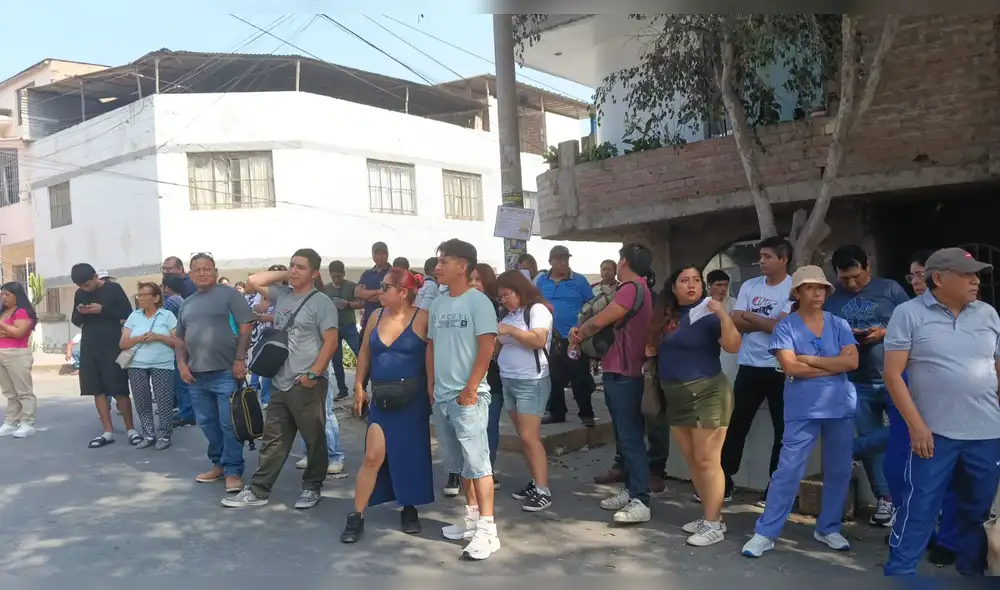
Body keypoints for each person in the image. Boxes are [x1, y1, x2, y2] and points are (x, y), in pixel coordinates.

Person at [883, 248, 1000, 577]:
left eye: (976, 274)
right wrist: (916, 426)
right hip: (933, 433)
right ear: (939, 278)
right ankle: (900, 573)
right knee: (919, 507)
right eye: (967, 274)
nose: (976, 281)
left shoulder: (988, 314)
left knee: (979, 510)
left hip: (987, 433)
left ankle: (971, 573)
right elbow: (892, 374)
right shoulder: (908, 313)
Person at [742, 265, 858, 558]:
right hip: (802, 407)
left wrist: (810, 360)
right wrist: (831, 366)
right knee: (788, 470)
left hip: (840, 406)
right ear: (797, 293)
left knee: (839, 470)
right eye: (809, 288)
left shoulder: (839, 324)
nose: (817, 293)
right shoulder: (786, 327)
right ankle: (765, 532)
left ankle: (828, 527)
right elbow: (791, 367)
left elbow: (852, 363)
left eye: (821, 288)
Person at [224, 249, 340, 509]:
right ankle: (259, 490)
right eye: (292, 265)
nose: (294, 270)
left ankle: (312, 486)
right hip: (280, 380)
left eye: (301, 267)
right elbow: (253, 281)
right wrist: (288, 273)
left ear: (314, 273)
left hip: (306, 381)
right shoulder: (283, 294)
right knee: (273, 438)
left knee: (313, 438)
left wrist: (313, 374)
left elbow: (331, 342)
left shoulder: (321, 302)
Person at [647, 266, 741, 546]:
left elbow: (733, 346)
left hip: (707, 394)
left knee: (707, 460)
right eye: (685, 280)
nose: (692, 285)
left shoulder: (708, 314)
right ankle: (712, 517)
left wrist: (723, 314)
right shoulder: (667, 315)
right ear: (673, 286)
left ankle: (713, 524)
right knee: (692, 460)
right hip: (675, 396)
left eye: (696, 280)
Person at [341, 268, 434, 542]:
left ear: (402, 292)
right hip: (382, 398)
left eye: (384, 287)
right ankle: (356, 515)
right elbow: (364, 353)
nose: (379, 292)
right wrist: (359, 386)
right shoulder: (376, 316)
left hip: (413, 400)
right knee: (372, 456)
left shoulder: (423, 318)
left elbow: (432, 357)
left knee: (411, 454)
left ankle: (409, 506)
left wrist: (432, 390)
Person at [824, 245, 910, 527]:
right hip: (855, 381)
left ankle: (852, 451)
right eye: (844, 278)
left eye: (856, 277)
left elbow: (914, 324)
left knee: (905, 431)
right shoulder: (831, 298)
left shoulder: (891, 289)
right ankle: (885, 499)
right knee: (871, 438)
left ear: (867, 267)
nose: (851, 284)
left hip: (895, 376)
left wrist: (885, 332)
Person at [569, 242, 654, 524]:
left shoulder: (631, 288)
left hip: (626, 372)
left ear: (624, 261)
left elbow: (600, 321)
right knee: (624, 436)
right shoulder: (639, 287)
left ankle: (641, 499)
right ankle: (631, 491)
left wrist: (578, 335)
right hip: (619, 369)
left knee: (630, 437)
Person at [884, 249, 959, 565]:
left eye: (921, 274)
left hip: (946, 397)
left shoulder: (962, 312)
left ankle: (950, 540)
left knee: (950, 471)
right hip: (904, 389)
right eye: (912, 275)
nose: (916, 281)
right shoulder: (905, 312)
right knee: (898, 467)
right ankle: (915, 532)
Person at [428, 239, 501, 560]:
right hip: (442, 397)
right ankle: (471, 520)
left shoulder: (478, 302)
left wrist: (470, 388)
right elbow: (432, 346)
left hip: (469, 398)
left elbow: (487, 347)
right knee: (461, 465)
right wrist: (431, 384)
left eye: (444, 261)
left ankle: (488, 530)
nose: (438, 267)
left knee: (478, 463)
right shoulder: (438, 303)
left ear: (462, 266)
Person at [721, 236, 794, 506]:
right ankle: (724, 482)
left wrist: (750, 317)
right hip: (749, 365)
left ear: (783, 259)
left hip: (780, 368)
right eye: (761, 256)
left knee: (782, 430)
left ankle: (774, 488)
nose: (761, 261)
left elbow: (782, 328)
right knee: (737, 424)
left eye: (767, 256)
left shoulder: (793, 288)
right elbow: (735, 321)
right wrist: (765, 322)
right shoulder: (750, 285)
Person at [175, 253, 254, 494]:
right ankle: (218, 464)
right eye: (197, 269)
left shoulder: (230, 295)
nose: (202, 273)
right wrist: (182, 364)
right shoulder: (187, 303)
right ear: (190, 274)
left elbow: (246, 326)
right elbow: (180, 339)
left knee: (229, 424)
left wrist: (240, 359)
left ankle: (233, 471)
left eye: (207, 268)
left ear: (216, 272)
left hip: (226, 372)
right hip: (196, 375)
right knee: (207, 423)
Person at [495, 270, 553, 512]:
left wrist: (509, 331)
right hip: (509, 379)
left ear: (519, 290)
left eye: (506, 295)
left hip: (531, 381)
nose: (503, 301)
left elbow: (538, 340)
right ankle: (534, 480)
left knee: (530, 437)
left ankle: (543, 490)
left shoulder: (537, 310)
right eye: (500, 297)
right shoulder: (509, 314)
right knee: (523, 436)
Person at [71, 263, 140, 448]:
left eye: (87, 284)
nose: (85, 289)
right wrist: (82, 312)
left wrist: (102, 310)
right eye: (81, 286)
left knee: (118, 387)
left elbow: (127, 313)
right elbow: (75, 320)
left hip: (112, 343)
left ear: (95, 277)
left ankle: (130, 429)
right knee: (97, 388)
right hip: (90, 343)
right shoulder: (80, 293)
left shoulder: (113, 289)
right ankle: (107, 431)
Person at [535, 245, 596, 426]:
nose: (563, 263)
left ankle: (587, 414)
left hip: (575, 338)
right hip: (551, 338)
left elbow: (592, 305)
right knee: (554, 378)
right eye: (559, 259)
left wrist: (583, 327)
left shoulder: (579, 280)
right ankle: (557, 413)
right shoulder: (541, 281)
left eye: (566, 259)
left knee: (580, 377)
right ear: (550, 261)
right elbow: (535, 302)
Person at [119, 282, 178, 450]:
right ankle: (149, 434)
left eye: (145, 295)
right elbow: (123, 343)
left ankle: (165, 435)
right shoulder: (134, 316)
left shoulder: (167, 316)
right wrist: (139, 339)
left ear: (156, 298)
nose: (141, 298)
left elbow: (177, 342)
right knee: (141, 400)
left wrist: (158, 337)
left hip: (162, 364)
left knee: (164, 401)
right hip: (137, 364)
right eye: (139, 295)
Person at [470, 263, 505, 492]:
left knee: (488, 426)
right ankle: (469, 473)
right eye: (471, 279)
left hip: (490, 376)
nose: (474, 284)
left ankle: (486, 472)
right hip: (465, 374)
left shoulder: (493, 307)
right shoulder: (462, 305)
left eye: (479, 280)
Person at [0, 282, 38, 438]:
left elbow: (18, 333)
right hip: (2, 353)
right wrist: (7, 330)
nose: (3, 297)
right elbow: (11, 331)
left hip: (17, 354)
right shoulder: (4, 312)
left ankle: (27, 422)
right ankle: (11, 421)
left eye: (7, 294)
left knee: (23, 391)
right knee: (9, 392)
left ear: (17, 296)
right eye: (2, 294)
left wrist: (3, 327)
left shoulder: (22, 312)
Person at [324, 260, 363, 402]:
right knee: (336, 360)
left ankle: (362, 386)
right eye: (334, 277)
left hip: (349, 326)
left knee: (361, 354)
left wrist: (348, 304)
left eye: (339, 276)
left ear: (344, 274)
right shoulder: (326, 289)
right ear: (330, 275)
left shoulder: (352, 286)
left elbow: (361, 303)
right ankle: (342, 390)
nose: (336, 279)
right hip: (333, 328)